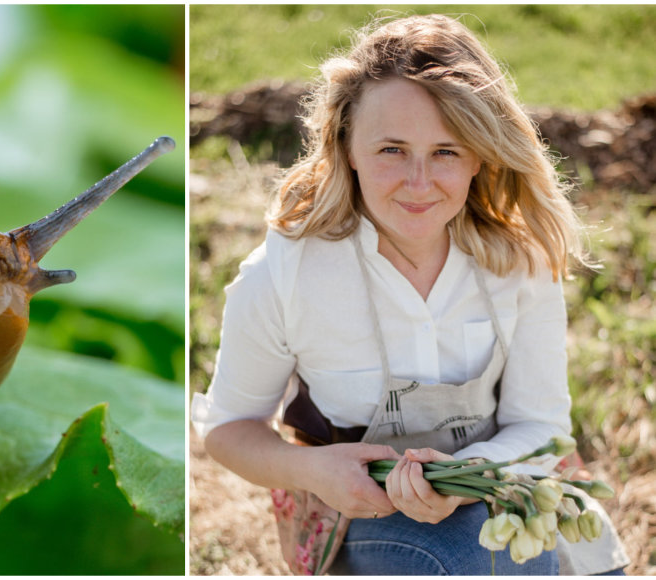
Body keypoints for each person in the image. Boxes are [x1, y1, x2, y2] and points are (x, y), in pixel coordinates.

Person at [191, 14, 629, 575]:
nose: (418, 183)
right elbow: (228, 431)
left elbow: (540, 426)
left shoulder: (521, 263)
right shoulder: (282, 277)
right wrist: (316, 471)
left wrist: (466, 478)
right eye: (392, 150)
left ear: (480, 156)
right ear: (347, 146)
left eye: (446, 152)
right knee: (474, 559)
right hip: (359, 510)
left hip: (500, 483)